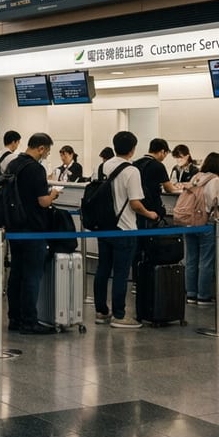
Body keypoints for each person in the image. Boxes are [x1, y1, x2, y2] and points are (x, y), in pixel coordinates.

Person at [93, 131, 158, 328]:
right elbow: (136, 204)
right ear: (132, 149)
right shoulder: (132, 171)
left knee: (103, 269)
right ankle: (119, 315)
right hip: (125, 227)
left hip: (104, 226)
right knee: (121, 272)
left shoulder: (102, 166)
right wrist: (150, 214)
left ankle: (101, 311)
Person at [3, 133, 60, 333]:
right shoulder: (36, 169)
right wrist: (53, 194)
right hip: (33, 228)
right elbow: (42, 201)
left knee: (17, 273)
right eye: (47, 151)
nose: (46, 155)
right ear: (41, 148)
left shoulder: (13, 164)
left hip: (14, 227)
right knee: (32, 275)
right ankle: (29, 321)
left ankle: (15, 318)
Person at [183, 153, 219, 305]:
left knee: (191, 259)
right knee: (206, 260)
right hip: (207, 223)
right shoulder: (217, 180)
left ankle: (190, 293)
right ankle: (203, 295)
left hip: (190, 222)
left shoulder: (196, 177)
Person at [134, 138, 178, 225]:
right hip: (152, 206)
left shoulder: (136, 163)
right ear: (162, 151)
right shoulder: (158, 166)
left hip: (137, 205)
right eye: (166, 154)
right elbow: (169, 189)